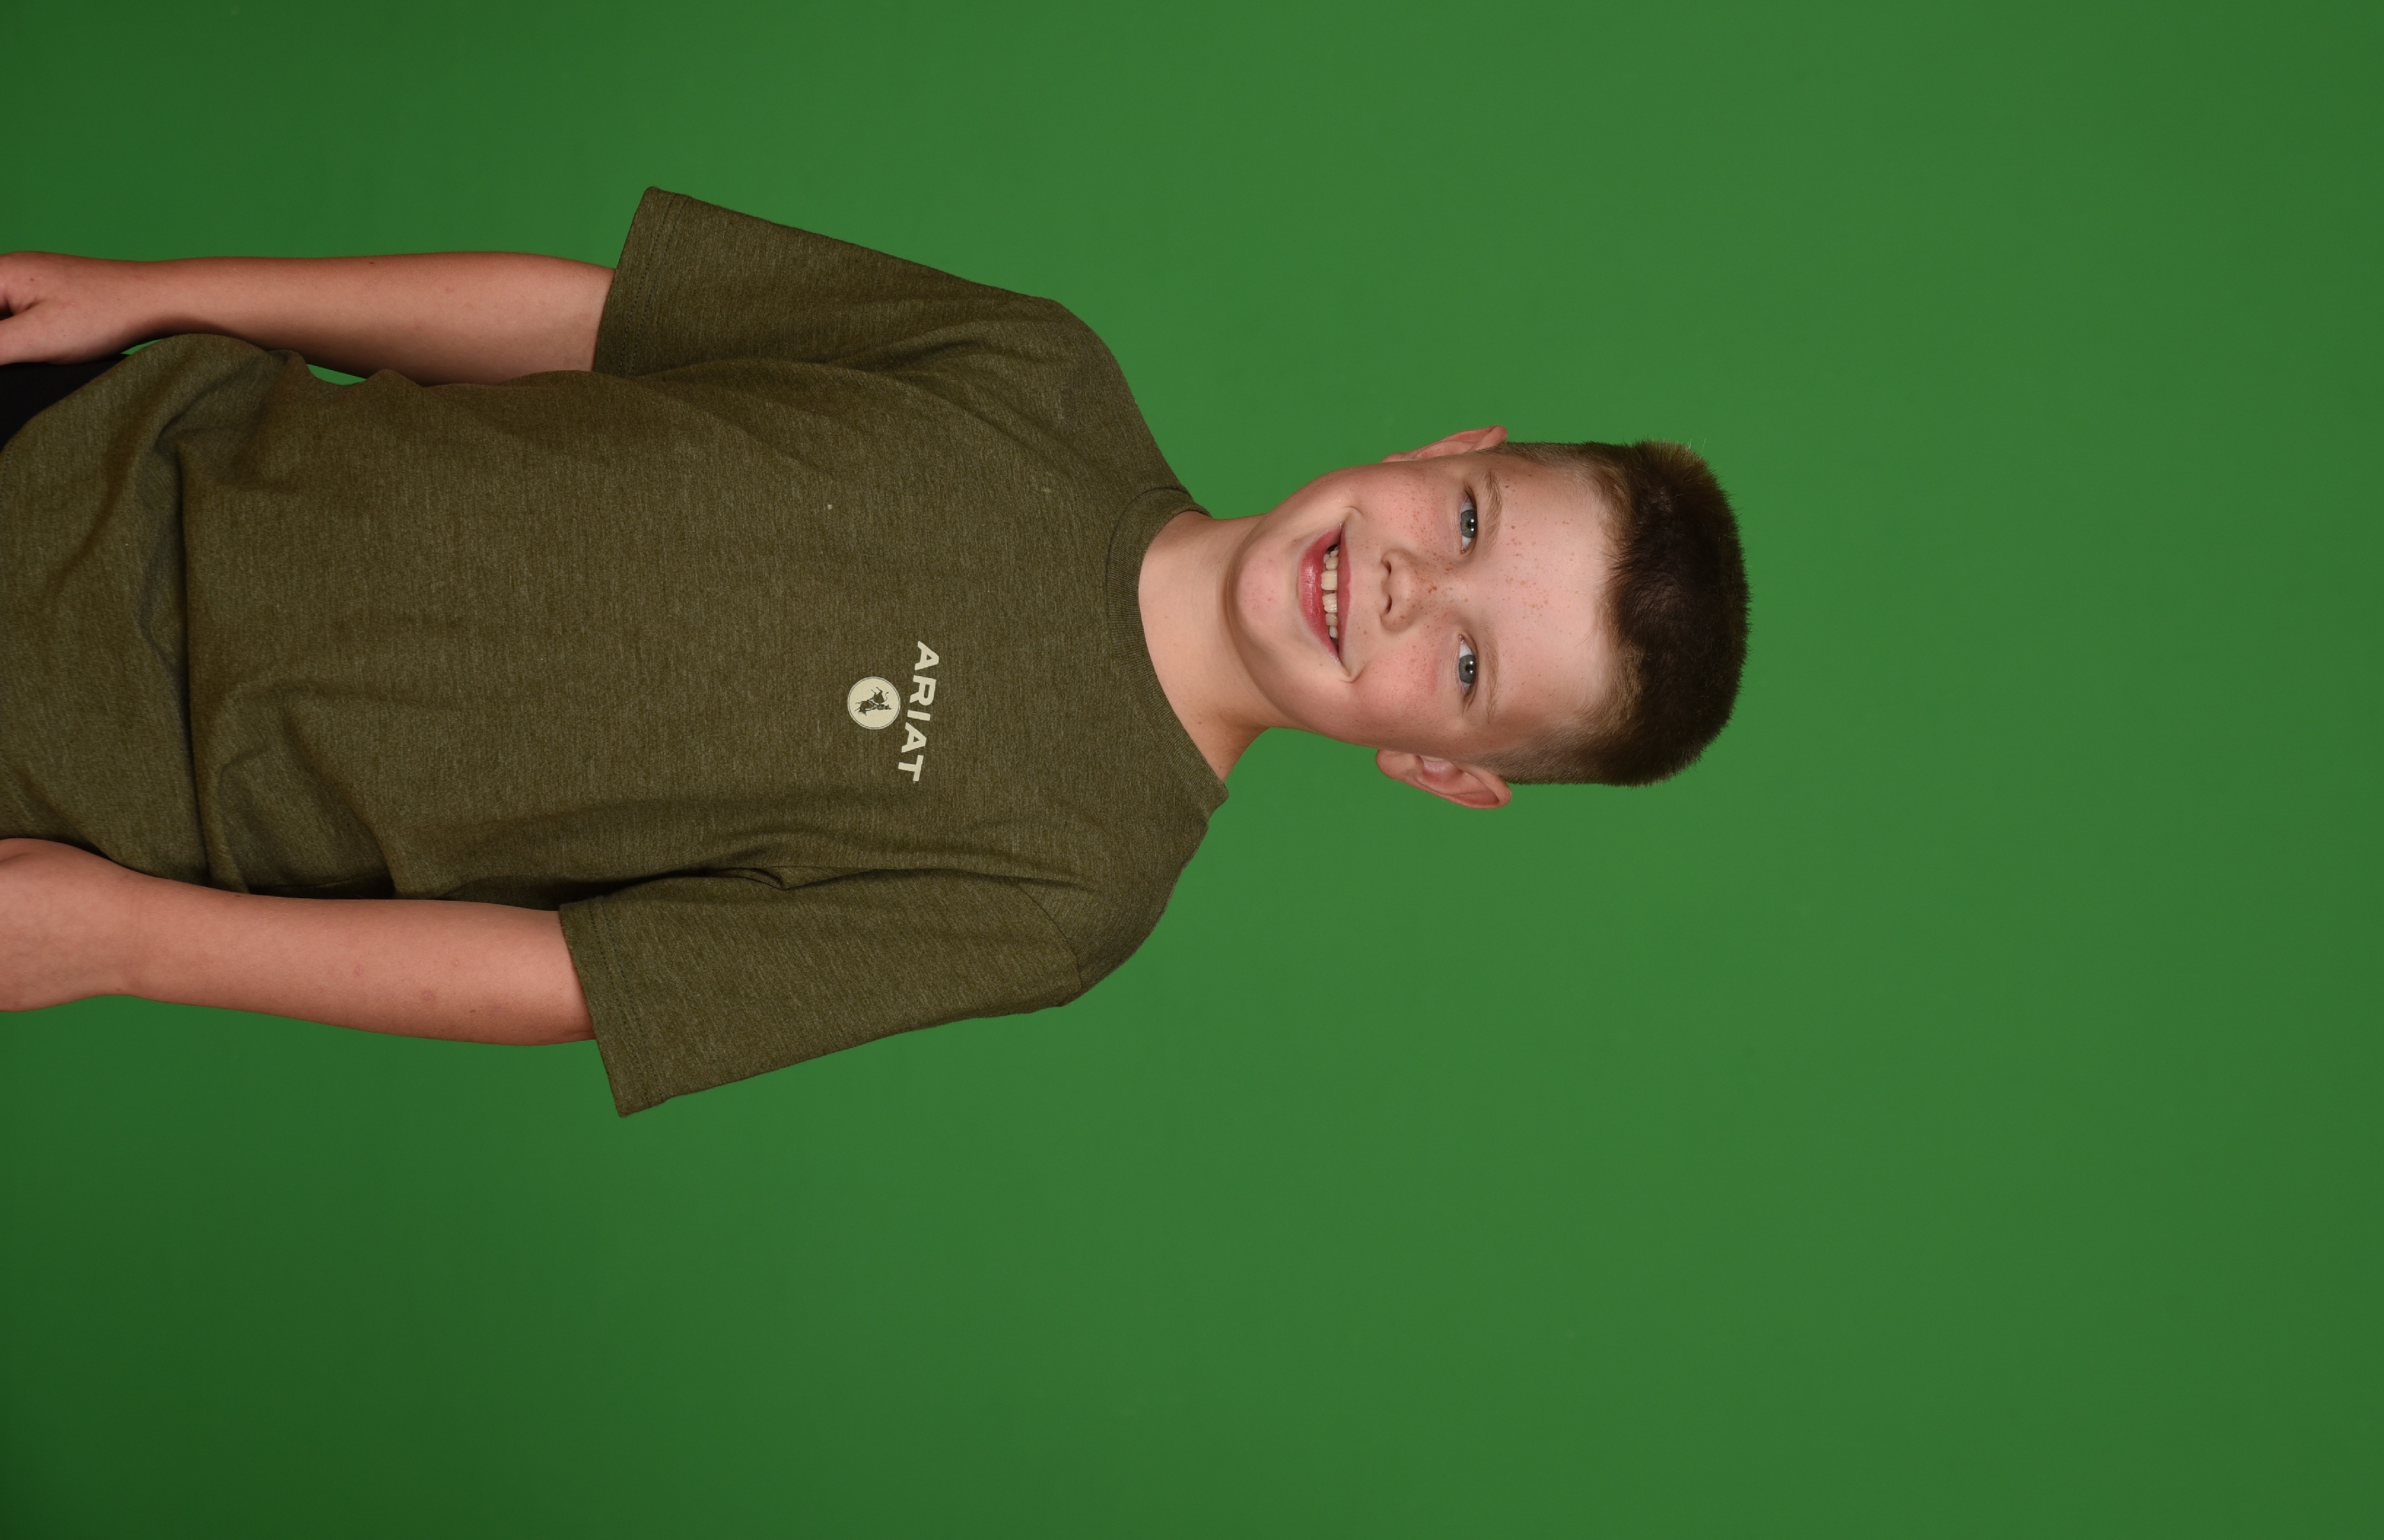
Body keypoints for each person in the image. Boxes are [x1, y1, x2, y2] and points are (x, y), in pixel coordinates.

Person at [0, 191, 1745, 1113]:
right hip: (111, 435)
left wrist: (130, 942)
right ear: (1449, 449)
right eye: (1467, 524)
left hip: (101, 770)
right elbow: (594, 319)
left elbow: (578, 982)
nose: (1407, 589)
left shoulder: (1066, 891)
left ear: (1441, 770)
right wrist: (161, 292)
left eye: (1467, 670)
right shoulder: (1039, 371)